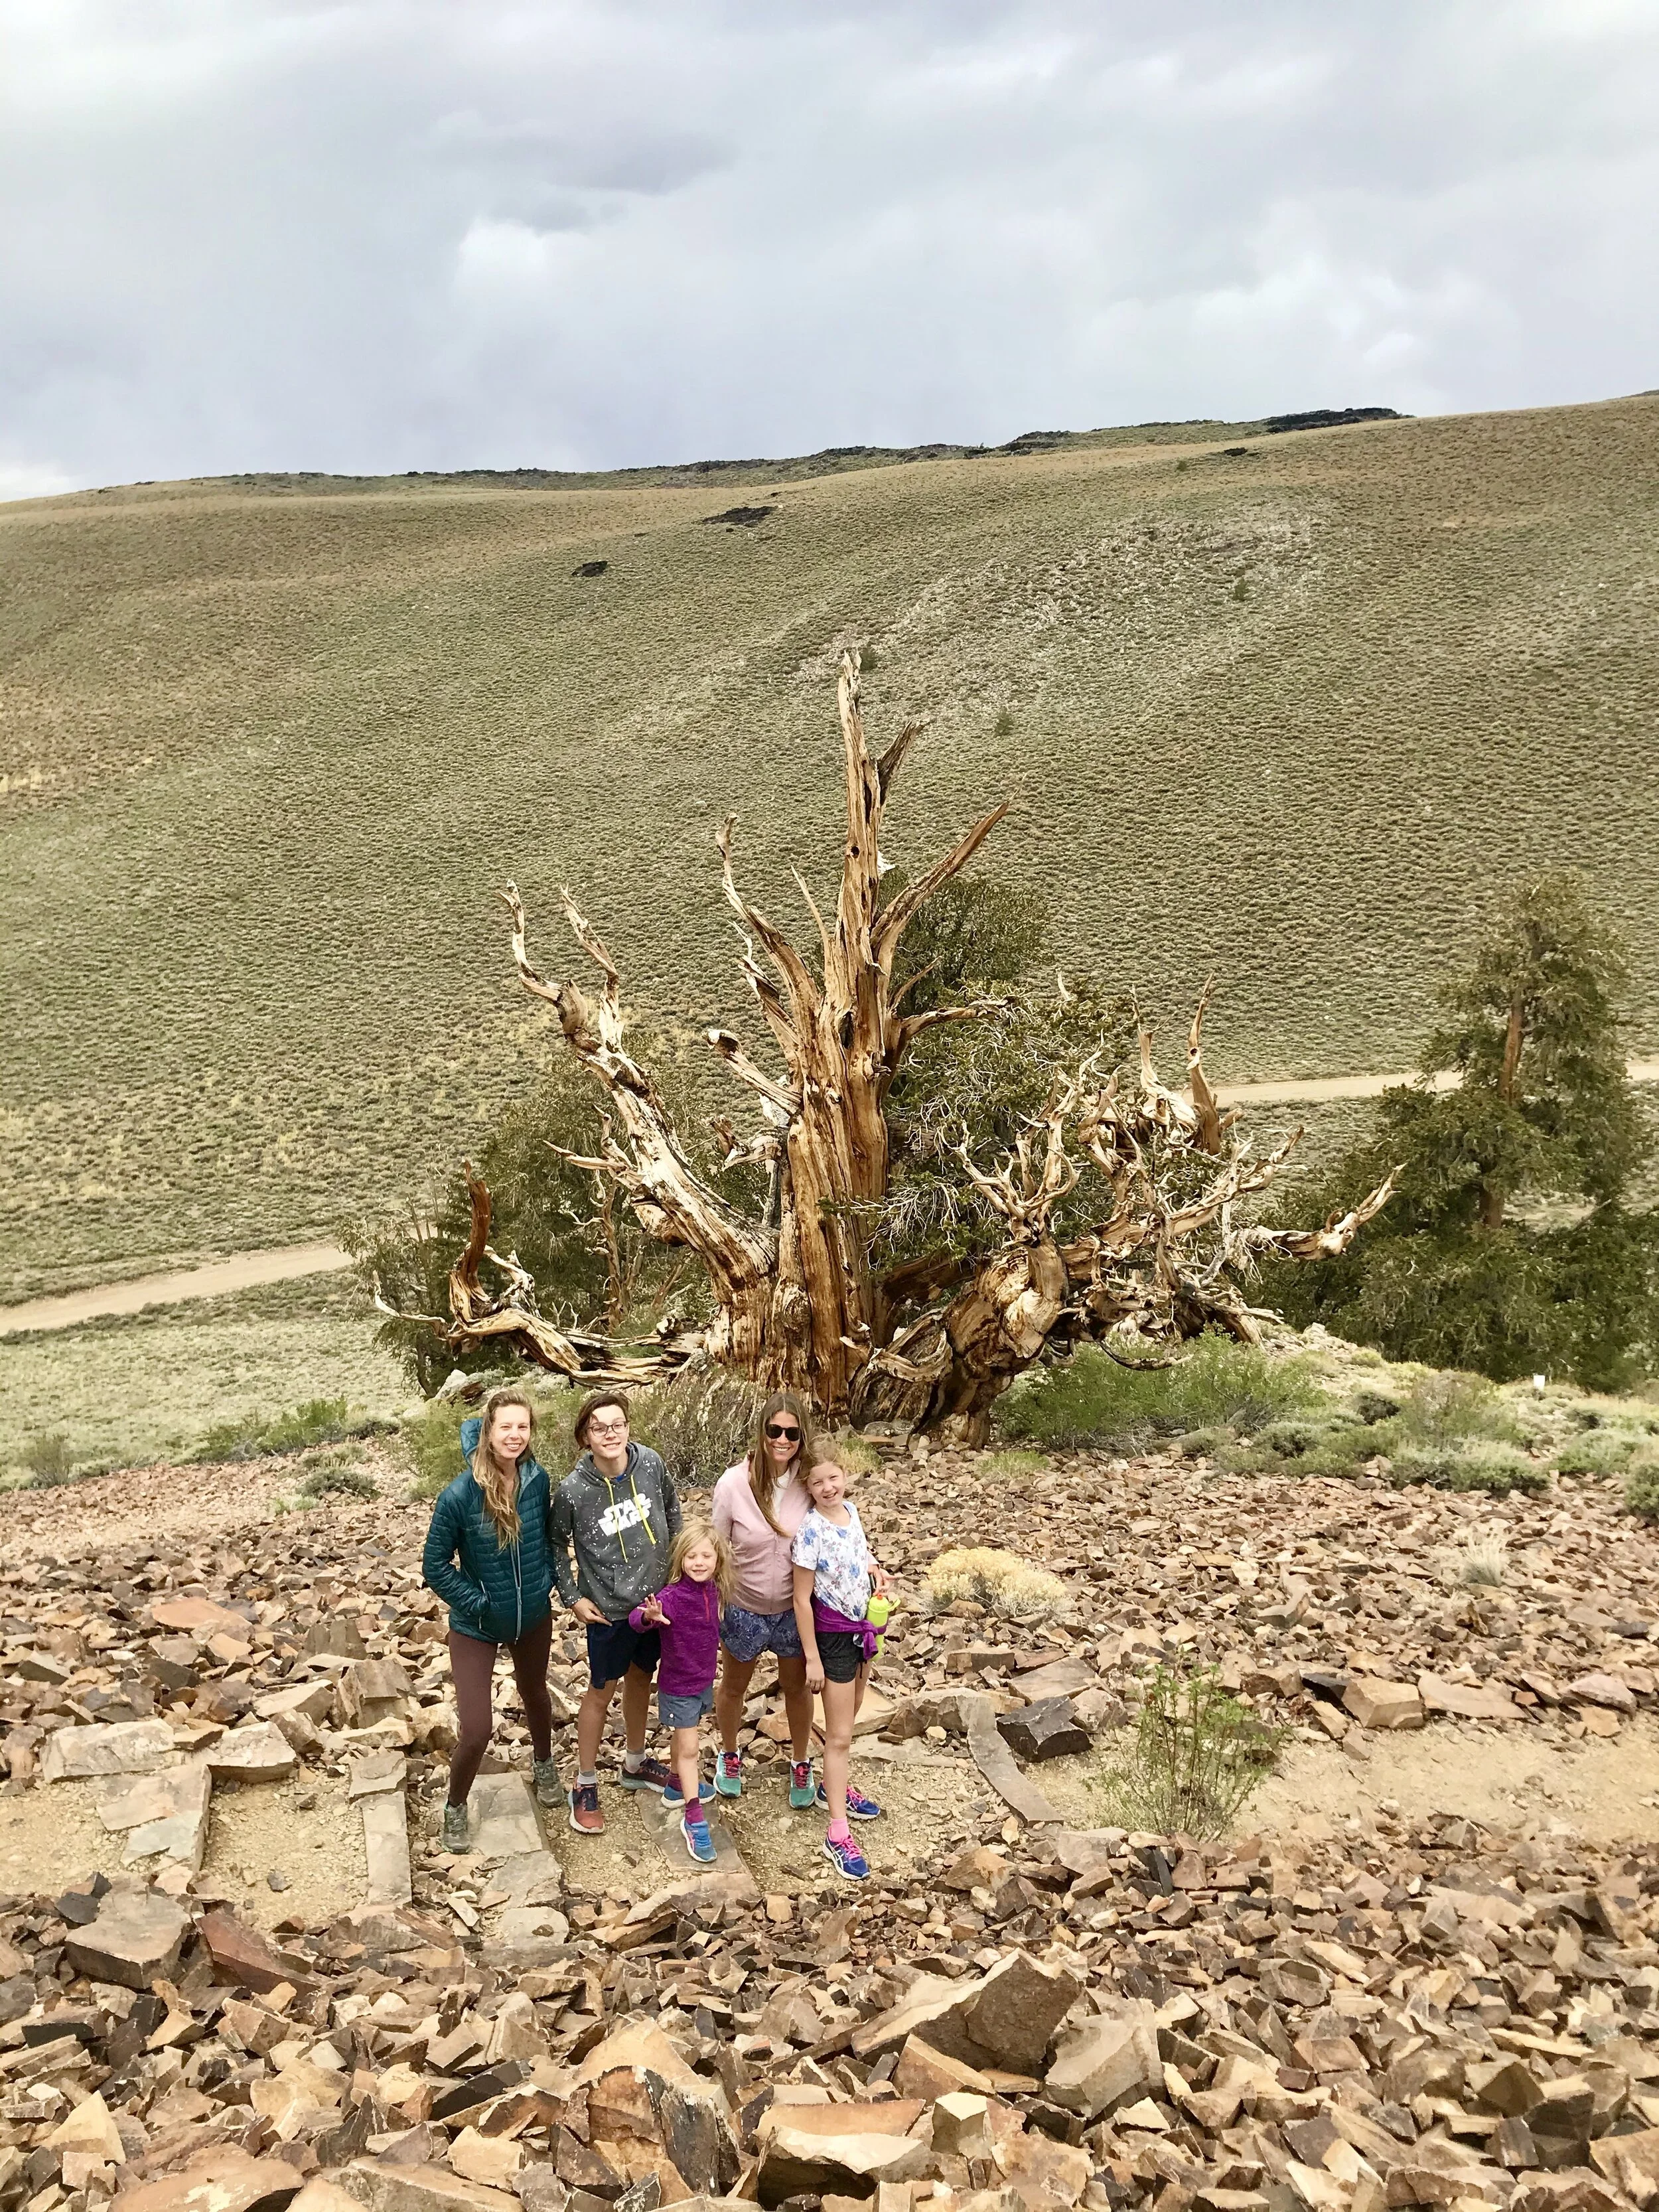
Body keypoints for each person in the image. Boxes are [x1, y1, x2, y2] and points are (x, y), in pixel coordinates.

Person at [421, 1385, 559, 1854]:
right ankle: (456, 1805)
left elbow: (547, 1540)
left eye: (523, 1426)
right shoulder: (459, 1494)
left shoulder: (537, 1480)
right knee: (477, 1727)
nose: (515, 1435)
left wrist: (545, 1586)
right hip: (477, 1624)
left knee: (537, 1695)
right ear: (488, 1430)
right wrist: (477, 1603)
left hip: (533, 1615)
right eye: (506, 1426)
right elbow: (435, 1566)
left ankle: (544, 1764)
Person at [549, 1389, 682, 1834]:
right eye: (600, 1426)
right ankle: (585, 1783)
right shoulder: (573, 1490)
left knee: (643, 1678)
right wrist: (572, 1596)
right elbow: (555, 1543)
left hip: (655, 1603)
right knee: (601, 1690)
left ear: (628, 1427)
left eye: (618, 1424)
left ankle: (635, 1761)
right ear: (585, 1435)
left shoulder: (651, 1464)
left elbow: (673, 1512)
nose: (611, 1433)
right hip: (608, 1609)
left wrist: (680, 1578)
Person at [711, 1391, 822, 1808]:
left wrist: (867, 1562)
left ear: (801, 1435)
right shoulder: (733, 1485)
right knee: (735, 1685)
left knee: (797, 1687)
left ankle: (800, 1760)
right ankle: (729, 1753)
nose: (782, 1440)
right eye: (774, 1430)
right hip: (744, 1604)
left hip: (795, 1608)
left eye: (792, 1433)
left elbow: (837, 1520)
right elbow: (716, 1546)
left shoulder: (808, 1481)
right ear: (761, 1431)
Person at [792, 1443, 886, 1881]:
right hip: (831, 1635)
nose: (828, 1487)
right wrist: (811, 1656)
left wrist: (875, 1568)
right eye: (818, 1482)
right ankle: (836, 1830)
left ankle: (835, 1786)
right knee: (841, 1735)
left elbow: (859, 1554)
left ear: (844, 1475)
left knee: (852, 1718)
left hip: (861, 1626)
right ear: (807, 1488)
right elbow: (802, 1597)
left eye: (833, 1477)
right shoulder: (810, 1531)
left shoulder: (850, 1511)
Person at [630, 1520, 733, 1865]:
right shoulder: (671, 1597)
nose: (699, 1562)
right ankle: (693, 1817)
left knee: (685, 1739)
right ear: (680, 1560)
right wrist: (649, 1617)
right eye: (691, 1556)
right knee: (690, 1748)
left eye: (706, 1555)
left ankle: (675, 1784)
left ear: (718, 1560)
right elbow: (636, 1618)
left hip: (703, 1680)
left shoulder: (716, 1591)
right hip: (677, 1687)